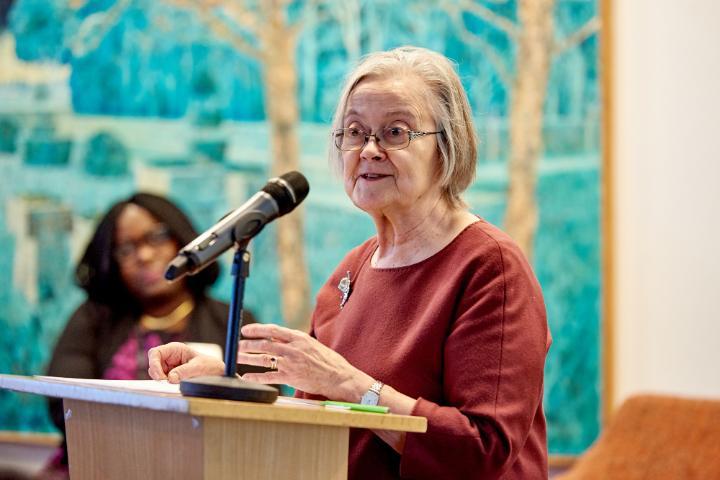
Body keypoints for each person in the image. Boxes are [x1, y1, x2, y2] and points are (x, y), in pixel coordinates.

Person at [148, 46, 551, 479]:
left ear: (447, 146)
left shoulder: (490, 266)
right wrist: (227, 371)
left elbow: (483, 449)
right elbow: (316, 394)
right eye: (355, 132)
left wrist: (351, 386)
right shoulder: (352, 268)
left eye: (396, 132)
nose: (370, 150)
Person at [44, 193, 257, 474]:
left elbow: (262, 401)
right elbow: (63, 402)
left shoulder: (230, 320)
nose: (143, 256)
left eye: (155, 237)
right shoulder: (94, 318)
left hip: (204, 466)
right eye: (126, 249)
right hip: (98, 462)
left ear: (180, 240)